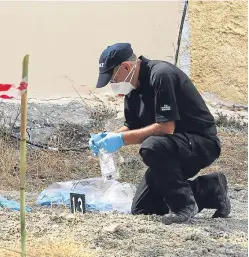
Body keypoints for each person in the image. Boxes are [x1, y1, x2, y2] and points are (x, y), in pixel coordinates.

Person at [89, 43, 231, 225]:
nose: (113, 84)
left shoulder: (161, 75)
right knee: (142, 208)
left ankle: (184, 205)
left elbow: (166, 128)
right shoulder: (132, 90)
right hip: (171, 149)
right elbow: (131, 126)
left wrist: (121, 139)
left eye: (113, 78)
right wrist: (107, 136)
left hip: (201, 143)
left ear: (126, 67)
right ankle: (210, 189)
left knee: (151, 146)